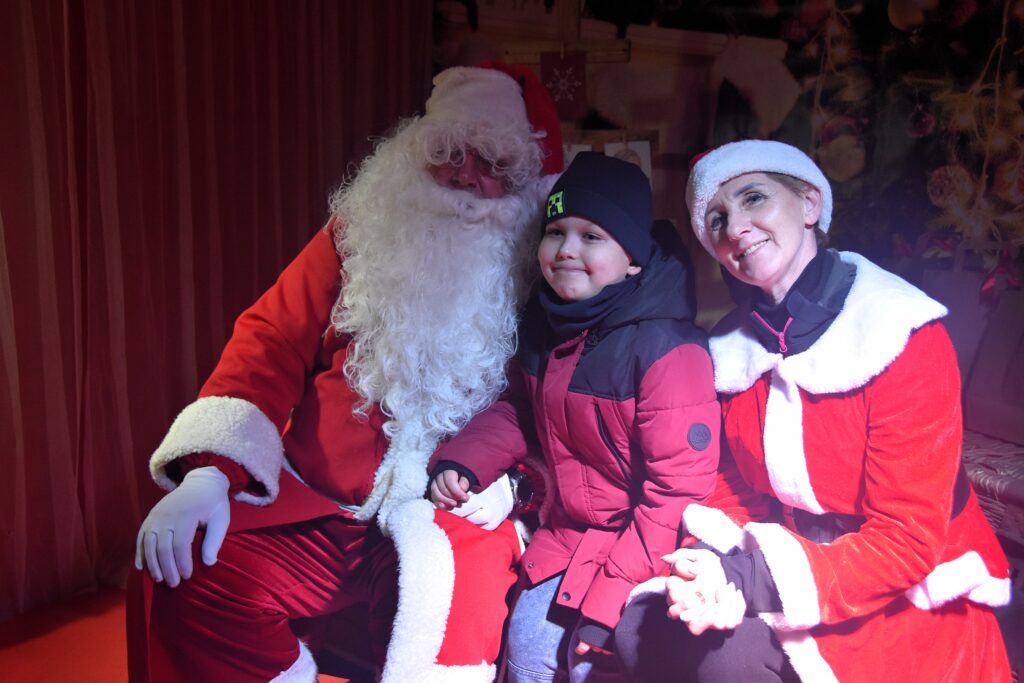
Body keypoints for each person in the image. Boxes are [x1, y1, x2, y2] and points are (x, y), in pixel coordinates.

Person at [127, 63, 564, 683]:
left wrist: (519, 486)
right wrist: (210, 471)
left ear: (523, 180)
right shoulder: (364, 230)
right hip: (316, 498)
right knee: (185, 565)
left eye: (493, 163)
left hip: (453, 510)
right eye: (448, 153)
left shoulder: (545, 267)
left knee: (448, 616)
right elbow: (271, 339)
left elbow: (561, 405)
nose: (466, 176)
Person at [613, 139, 1013, 682]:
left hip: (896, 586)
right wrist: (710, 567)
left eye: (754, 198)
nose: (735, 229)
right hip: (786, 555)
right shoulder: (730, 352)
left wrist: (749, 580)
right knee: (644, 630)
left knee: (724, 660)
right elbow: (728, 486)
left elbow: (907, 539)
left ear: (809, 203)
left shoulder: (901, 333)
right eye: (716, 219)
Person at [429, 151, 722, 682]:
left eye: (592, 236)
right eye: (556, 232)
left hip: (646, 548)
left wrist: (607, 601)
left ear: (632, 260)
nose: (567, 249)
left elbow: (678, 495)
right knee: (522, 648)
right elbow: (520, 410)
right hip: (570, 536)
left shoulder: (667, 349)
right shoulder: (546, 324)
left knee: (581, 659)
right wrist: (465, 461)